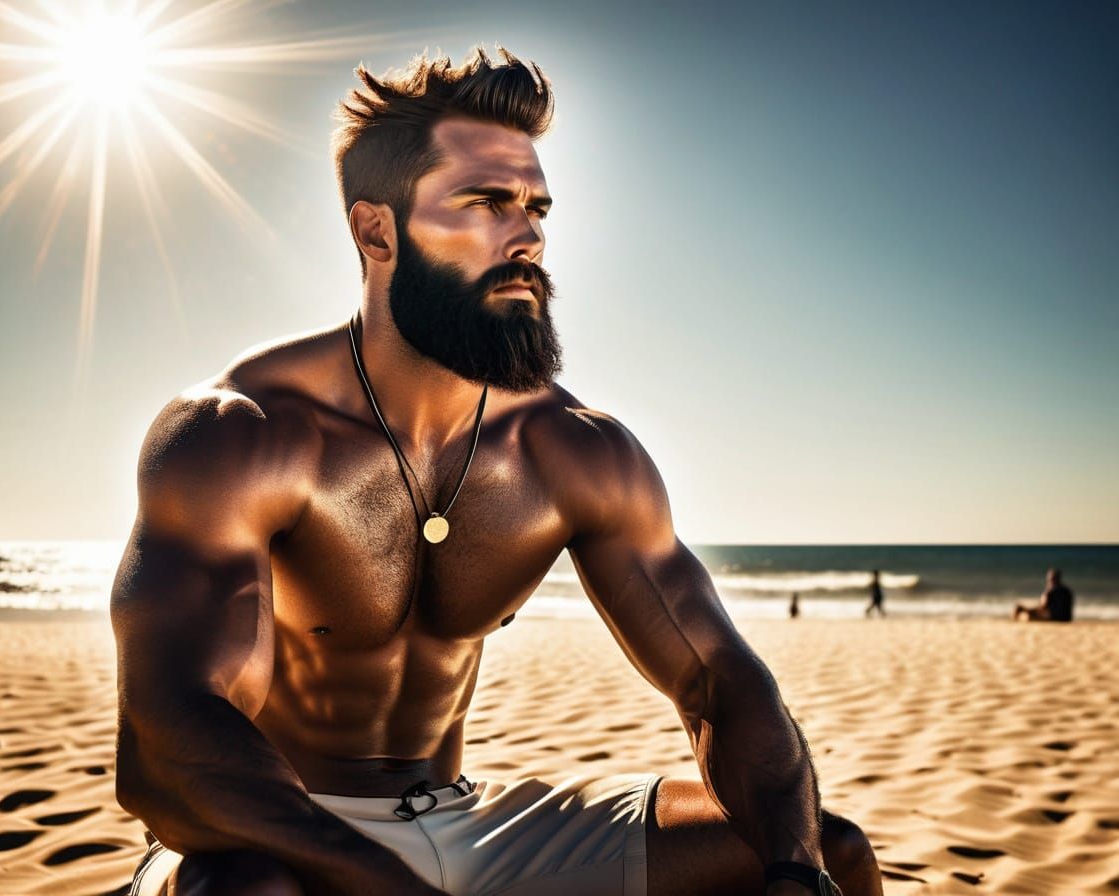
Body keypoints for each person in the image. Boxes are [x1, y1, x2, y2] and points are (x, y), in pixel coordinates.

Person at [112, 49, 882, 896]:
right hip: (275, 831)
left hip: (464, 822)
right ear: (378, 231)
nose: (527, 236)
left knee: (823, 851)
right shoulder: (244, 436)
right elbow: (167, 746)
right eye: (484, 203)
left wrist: (793, 877)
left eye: (535, 208)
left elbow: (718, 681)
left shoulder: (572, 450)